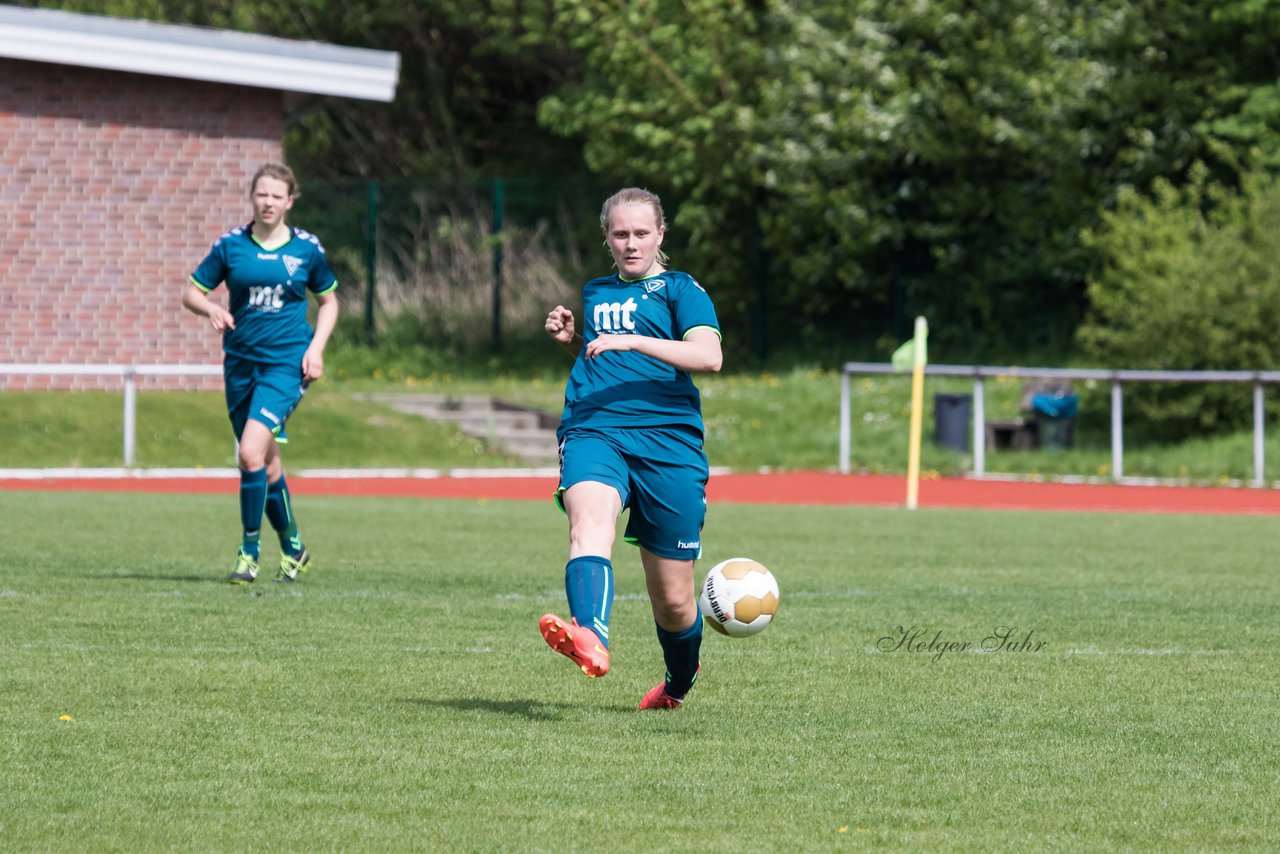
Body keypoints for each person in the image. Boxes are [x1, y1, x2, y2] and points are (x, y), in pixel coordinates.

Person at [540, 187, 722, 710]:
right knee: (589, 518)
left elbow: (708, 356)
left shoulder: (681, 290)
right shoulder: (597, 291)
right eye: (620, 234)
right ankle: (590, 634)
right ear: (607, 237)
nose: (631, 243)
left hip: (669, 442)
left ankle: (678, 683)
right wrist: (575, 340)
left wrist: (635, 339)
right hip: (594, 428)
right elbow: (606, 358)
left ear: (660, 234)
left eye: (642, 233)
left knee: (673, 599)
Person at [181, 162, 339, 584]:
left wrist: (317, 349)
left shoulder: (306, 249)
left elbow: (329, 302)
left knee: (249, 452)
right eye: (261, 194)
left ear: (290, 201)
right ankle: (294, 549)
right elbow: (191, 292)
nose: (268, 202)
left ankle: (249, 552)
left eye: (276, 196)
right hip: (240, 365)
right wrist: (211, 307)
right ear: (252, 197)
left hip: (286, 366)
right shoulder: (231, 246)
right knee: (266, 465)